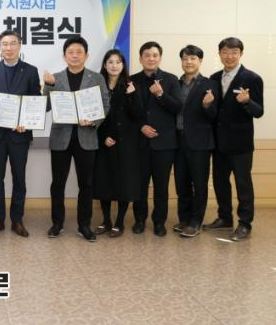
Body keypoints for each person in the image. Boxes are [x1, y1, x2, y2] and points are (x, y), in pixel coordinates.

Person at [43, 36, 109, 241]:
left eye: (79, 52)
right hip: (61, 138)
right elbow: (45, 106)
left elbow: (105, 104)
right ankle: (57, 223)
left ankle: (84, 225)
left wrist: (94, 121)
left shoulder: (96, 78)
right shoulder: (54, 78)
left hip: (86, 137)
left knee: (86, 184)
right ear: (64, 56)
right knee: (58, 183)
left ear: (86, 55)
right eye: (70, 52)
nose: (75, 55)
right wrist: (49, 85)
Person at [0, 30, 41, 237]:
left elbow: (35, 101)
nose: (8, 48)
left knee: (19, 179)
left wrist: (26, 122)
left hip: (19, 134)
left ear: (19, 46)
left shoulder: (31, 71)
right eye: (4, 44)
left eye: (12, 43)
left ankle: (17, 220)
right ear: (0, 47)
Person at [205, 37, 263, 241]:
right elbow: (214, 111)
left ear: (241, 54)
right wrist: (207, 105)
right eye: (225, 52)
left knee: (242, 184)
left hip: (241, 143)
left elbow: (259, 112)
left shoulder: (252, 78)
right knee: (220, 182)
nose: (229, 56)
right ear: (219, 54)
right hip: (219, 142)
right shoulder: (213, 78)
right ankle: (224, 218)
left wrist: (247, 102)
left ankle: (245, 223)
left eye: (234, 52)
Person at [130, 42, 182, 236]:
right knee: (140, 185)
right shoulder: (132, 80)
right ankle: (139, 220)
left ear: (160, 58)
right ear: (140, 58)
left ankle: (159, 222)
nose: (151, 58)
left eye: (154, 55)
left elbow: (178, 107)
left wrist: (160, 94)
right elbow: (127, 112)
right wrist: (141, 126)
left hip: (164, 143)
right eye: (147, 55)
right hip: (140, 143)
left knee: (161, 187)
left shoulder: (171, 79)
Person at [92, 49, 143, 238]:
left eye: (118, 62)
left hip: (126, 142)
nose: (114, 65)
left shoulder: (131, 85)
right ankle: (106, 220)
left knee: (124, 183)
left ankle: (119, 222)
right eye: (110, 62)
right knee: (104, 182)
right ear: (105, 65)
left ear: (123, 65)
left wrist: (132, 95)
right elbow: (93, 114)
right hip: (104, 141)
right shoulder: (97, 85)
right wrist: (103, 136)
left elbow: (138, 115)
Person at [171, 45, 219, 238]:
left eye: (192, 58)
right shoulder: (175, 83)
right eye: (185, 58)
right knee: (181, 183)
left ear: (200, 61)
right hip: (177, 141)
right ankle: (184, 218)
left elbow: (214, 116)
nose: (188, 62)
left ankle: (196, 222)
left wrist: (207, 106)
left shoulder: (210, 84)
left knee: (199, 184)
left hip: (200, 143)